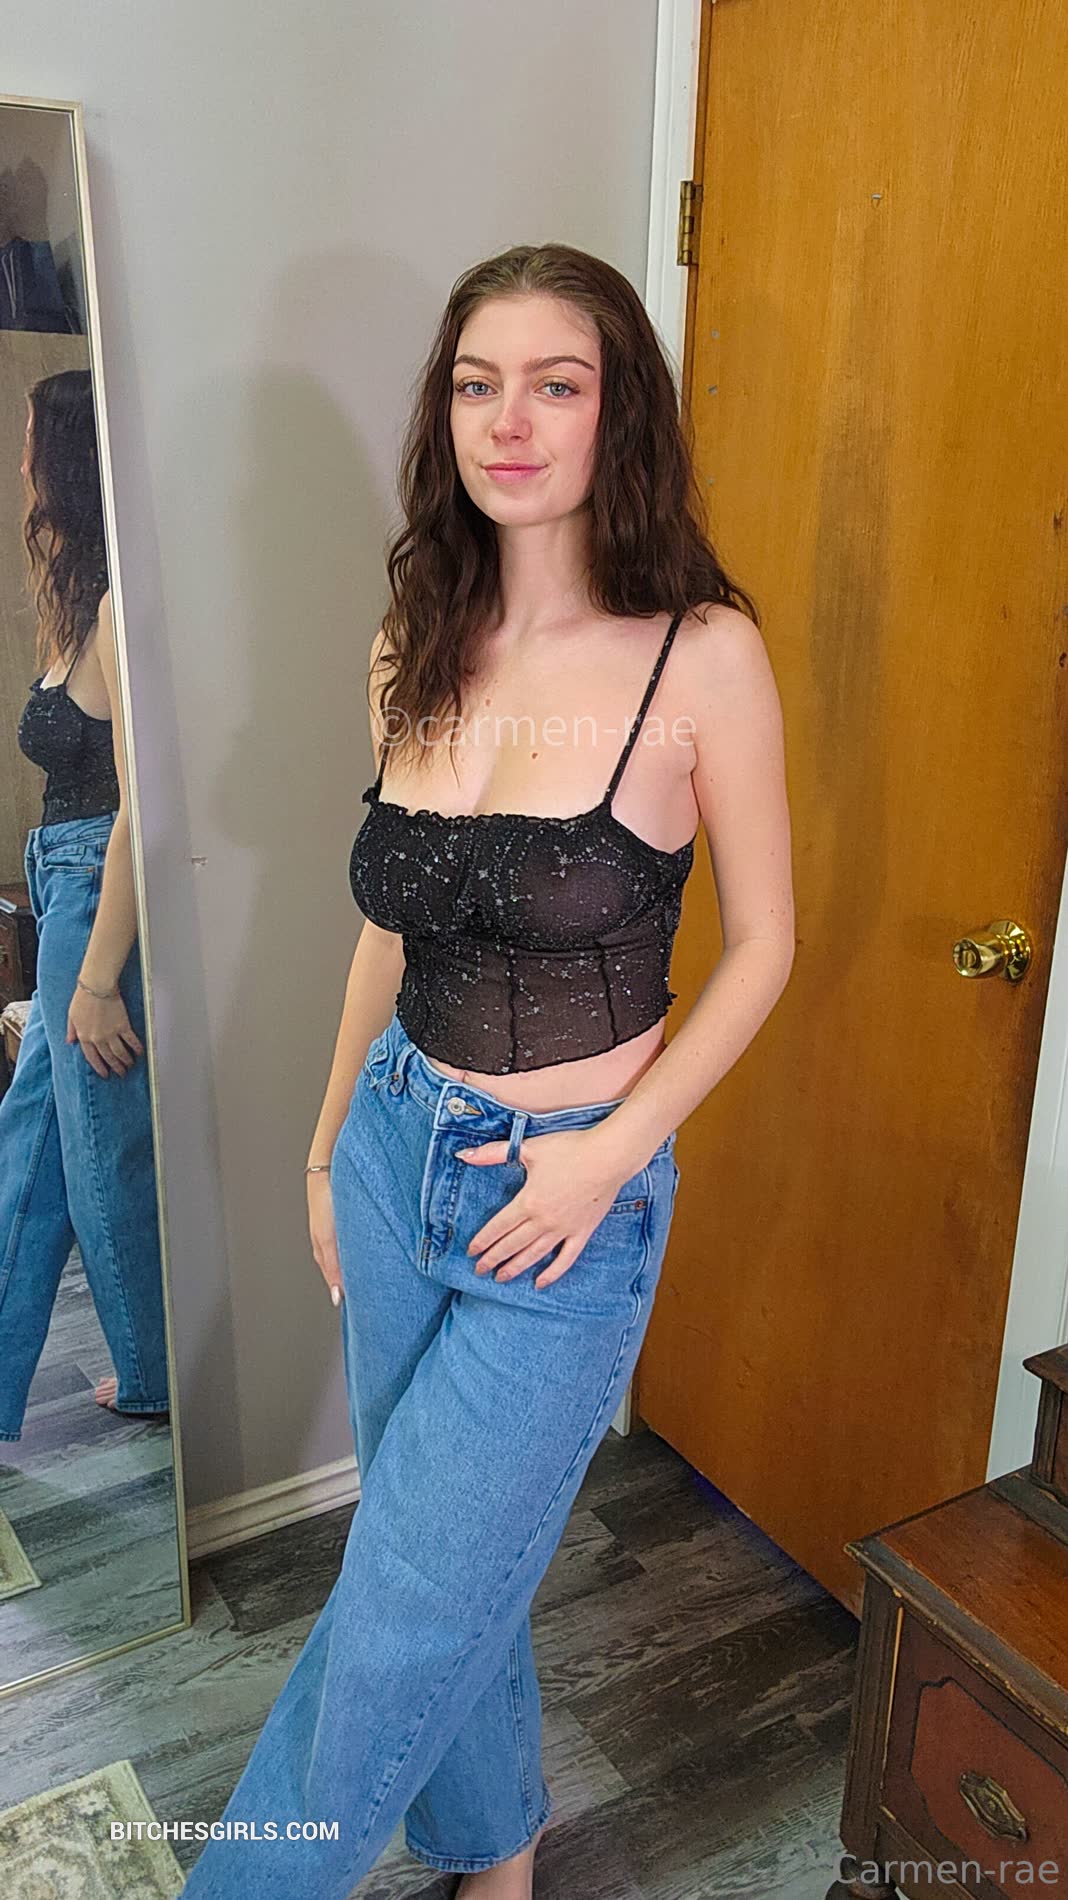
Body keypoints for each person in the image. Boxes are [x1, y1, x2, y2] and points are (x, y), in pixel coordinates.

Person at [179, 242, 794, 1899]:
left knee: (398, 1613)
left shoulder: (701, 656)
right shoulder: (415, 635)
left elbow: (765, 947)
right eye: (474, 383)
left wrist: (610, 1155)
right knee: (441, 1560)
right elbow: (387, 933)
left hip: (565, 1203)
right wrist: (327, 1149)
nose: (507, 420)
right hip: (396, 1155)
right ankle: (495, 1850)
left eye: (554, 383)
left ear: (618, 414)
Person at [0, 369, 169, 1442]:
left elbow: (142, 807)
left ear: (61, 459)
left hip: (91, 892)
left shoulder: (114, 607)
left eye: (30, 443)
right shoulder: (72, 596)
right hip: (58, 878)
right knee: (35, 1142)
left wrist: (98, 976)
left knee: (98, 1146)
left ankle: (152, 1373)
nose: (20, 462)